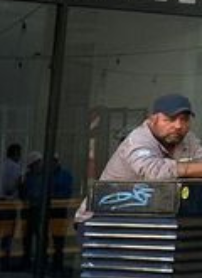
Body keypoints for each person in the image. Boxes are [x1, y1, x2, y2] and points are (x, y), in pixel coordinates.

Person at [77, 93, 202, 222]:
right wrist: (191, 169)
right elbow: (154, 172)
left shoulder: (188, 139)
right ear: (152, 119)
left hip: (149, 215)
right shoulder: (138, 139)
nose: (178, 126)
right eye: (170, 119)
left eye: (184, 119)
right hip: (101, 217)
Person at [0, 143, 23, 269]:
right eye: (19, 153)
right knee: (7, 233)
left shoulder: (1, 165)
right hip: (8, 202)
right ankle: (4, 261)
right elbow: (11, 187)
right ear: (15, 153)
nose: (20, 157)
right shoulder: (14, 167)